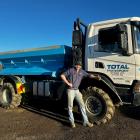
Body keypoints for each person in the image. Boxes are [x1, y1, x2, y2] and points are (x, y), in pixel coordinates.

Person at [61, 61, 100, 128]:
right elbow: (62, 75)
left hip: (77, 91)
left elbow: (89, 75)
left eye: (79, 65)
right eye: (77, 65)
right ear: (75, 65)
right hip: (70, 90)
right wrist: (68, 83)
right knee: (70, 106)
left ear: (81, 66)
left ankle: (86, 122)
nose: (78, 66)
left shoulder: (82, 72)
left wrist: (95, 77)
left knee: (82, 105)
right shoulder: (71, 70)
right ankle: (72, 122)